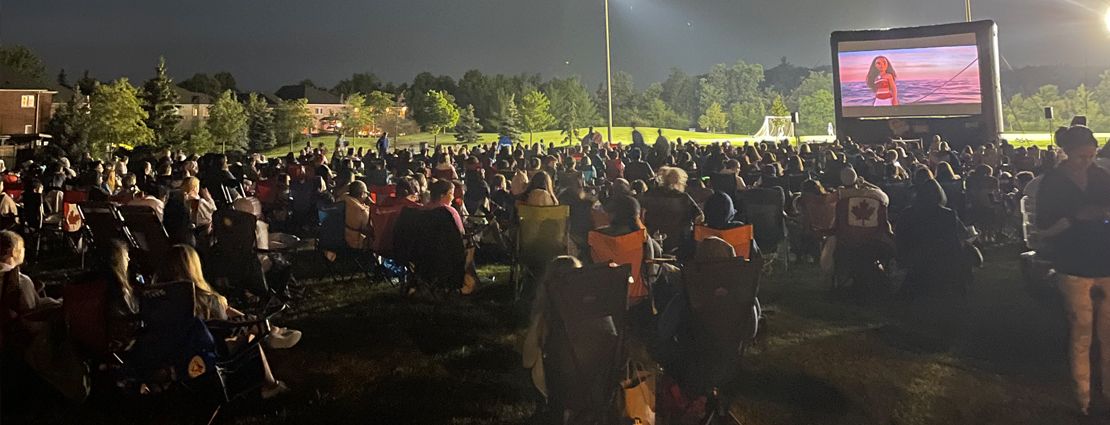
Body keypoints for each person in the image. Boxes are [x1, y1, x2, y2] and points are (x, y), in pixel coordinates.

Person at [1035, 125, 1110, 416]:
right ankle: (1084, 399)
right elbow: (1043, 229)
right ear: (1066, 153)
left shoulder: (1100, 177)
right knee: (1081, 334)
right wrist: (1073, 218)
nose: (1087, 162)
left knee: (1108, 334)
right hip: (1073, 266)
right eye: (1081, 157)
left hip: (1105, 262)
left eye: (1091, 156)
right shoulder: (1052, 183)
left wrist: (1102, 214)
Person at [163, 245, 299, 399]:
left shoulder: (162, 301)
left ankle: (267, 329)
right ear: (194, 268)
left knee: (232, 314)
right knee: (251, 338)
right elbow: (224, 327)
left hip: (175, 353)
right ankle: (270, 384)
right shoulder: (204, 300)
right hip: (208, 353)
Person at [894, 179, 973, 297]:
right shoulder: (948, 215)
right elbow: (953, 242)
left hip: (914, 258)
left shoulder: (907, 213)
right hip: (939, 259)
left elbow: (899, 236)